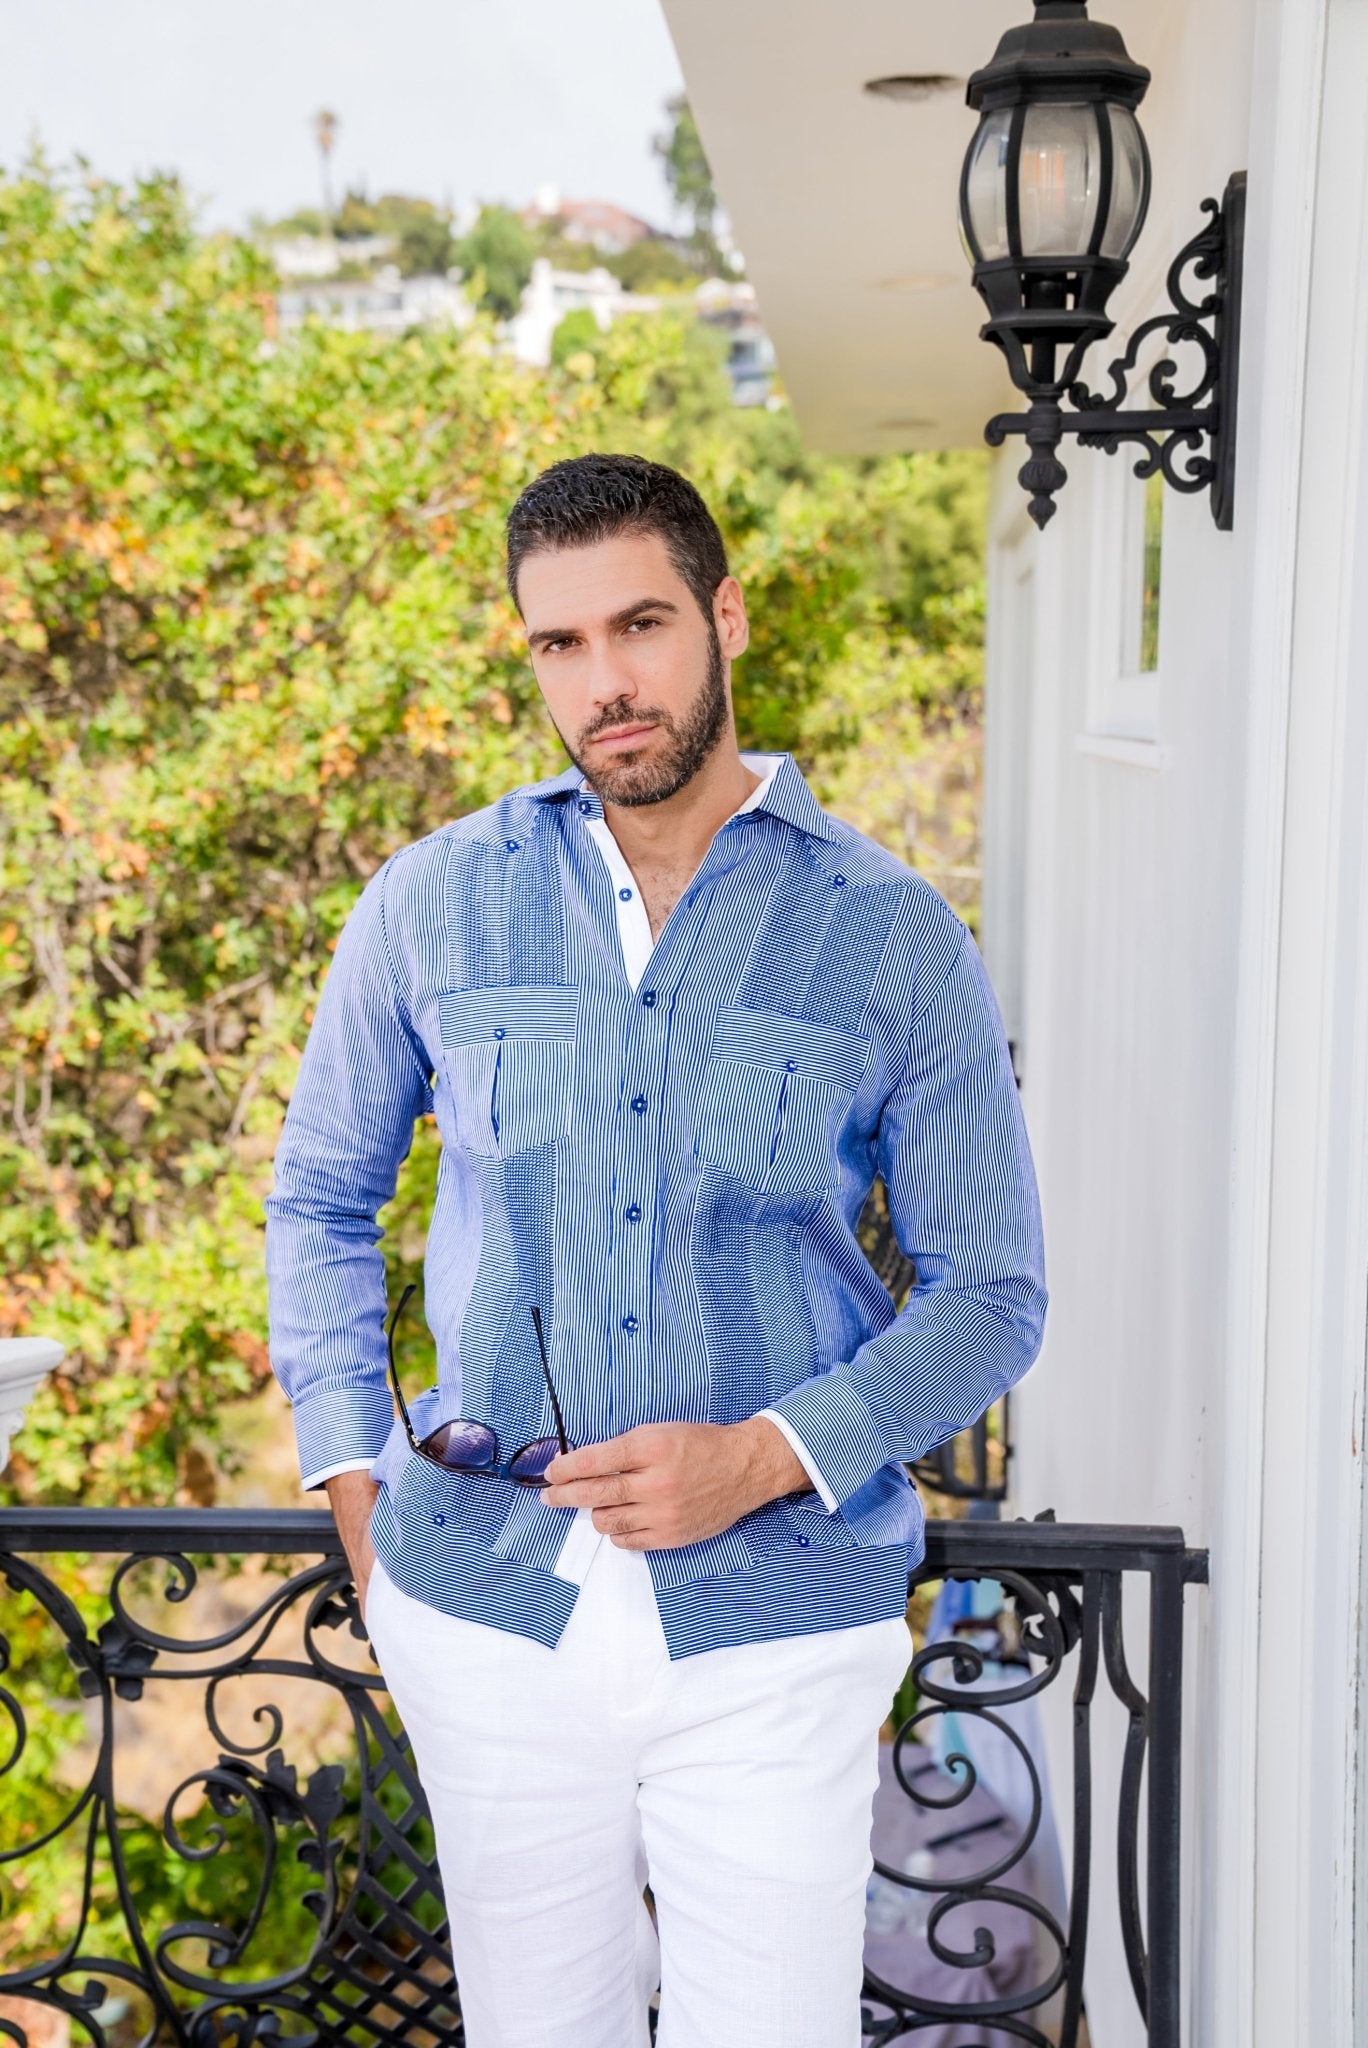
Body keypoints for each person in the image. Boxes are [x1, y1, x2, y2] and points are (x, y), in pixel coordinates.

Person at [265, 453, 1047, 2048]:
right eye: (560, 645)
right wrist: (355, 1486)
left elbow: (996, 1289)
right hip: (485, 1612)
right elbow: (320, 1202)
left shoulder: (892, 938)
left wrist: (767, 1455)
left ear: (725, 615)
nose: (607, 685)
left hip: (776, 1627)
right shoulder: (430, 904)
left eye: (640, 625)